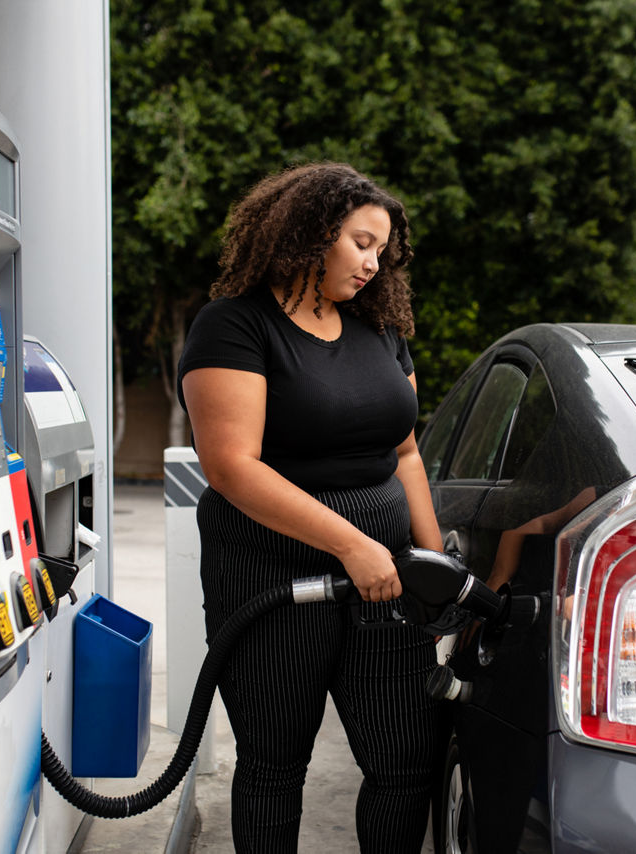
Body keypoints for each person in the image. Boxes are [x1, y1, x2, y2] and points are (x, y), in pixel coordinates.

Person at [177, 162, 445, 852]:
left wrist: (434, 560)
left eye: (382, 251)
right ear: (313, 231)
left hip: (387, 580)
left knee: (405, 762)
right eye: (361, 242)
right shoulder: (235, 326)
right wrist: (350, 545)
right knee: (273, 766)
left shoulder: (380, 330)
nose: (372, 263)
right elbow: (233, 467)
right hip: (270, 575)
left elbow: (406, 453)